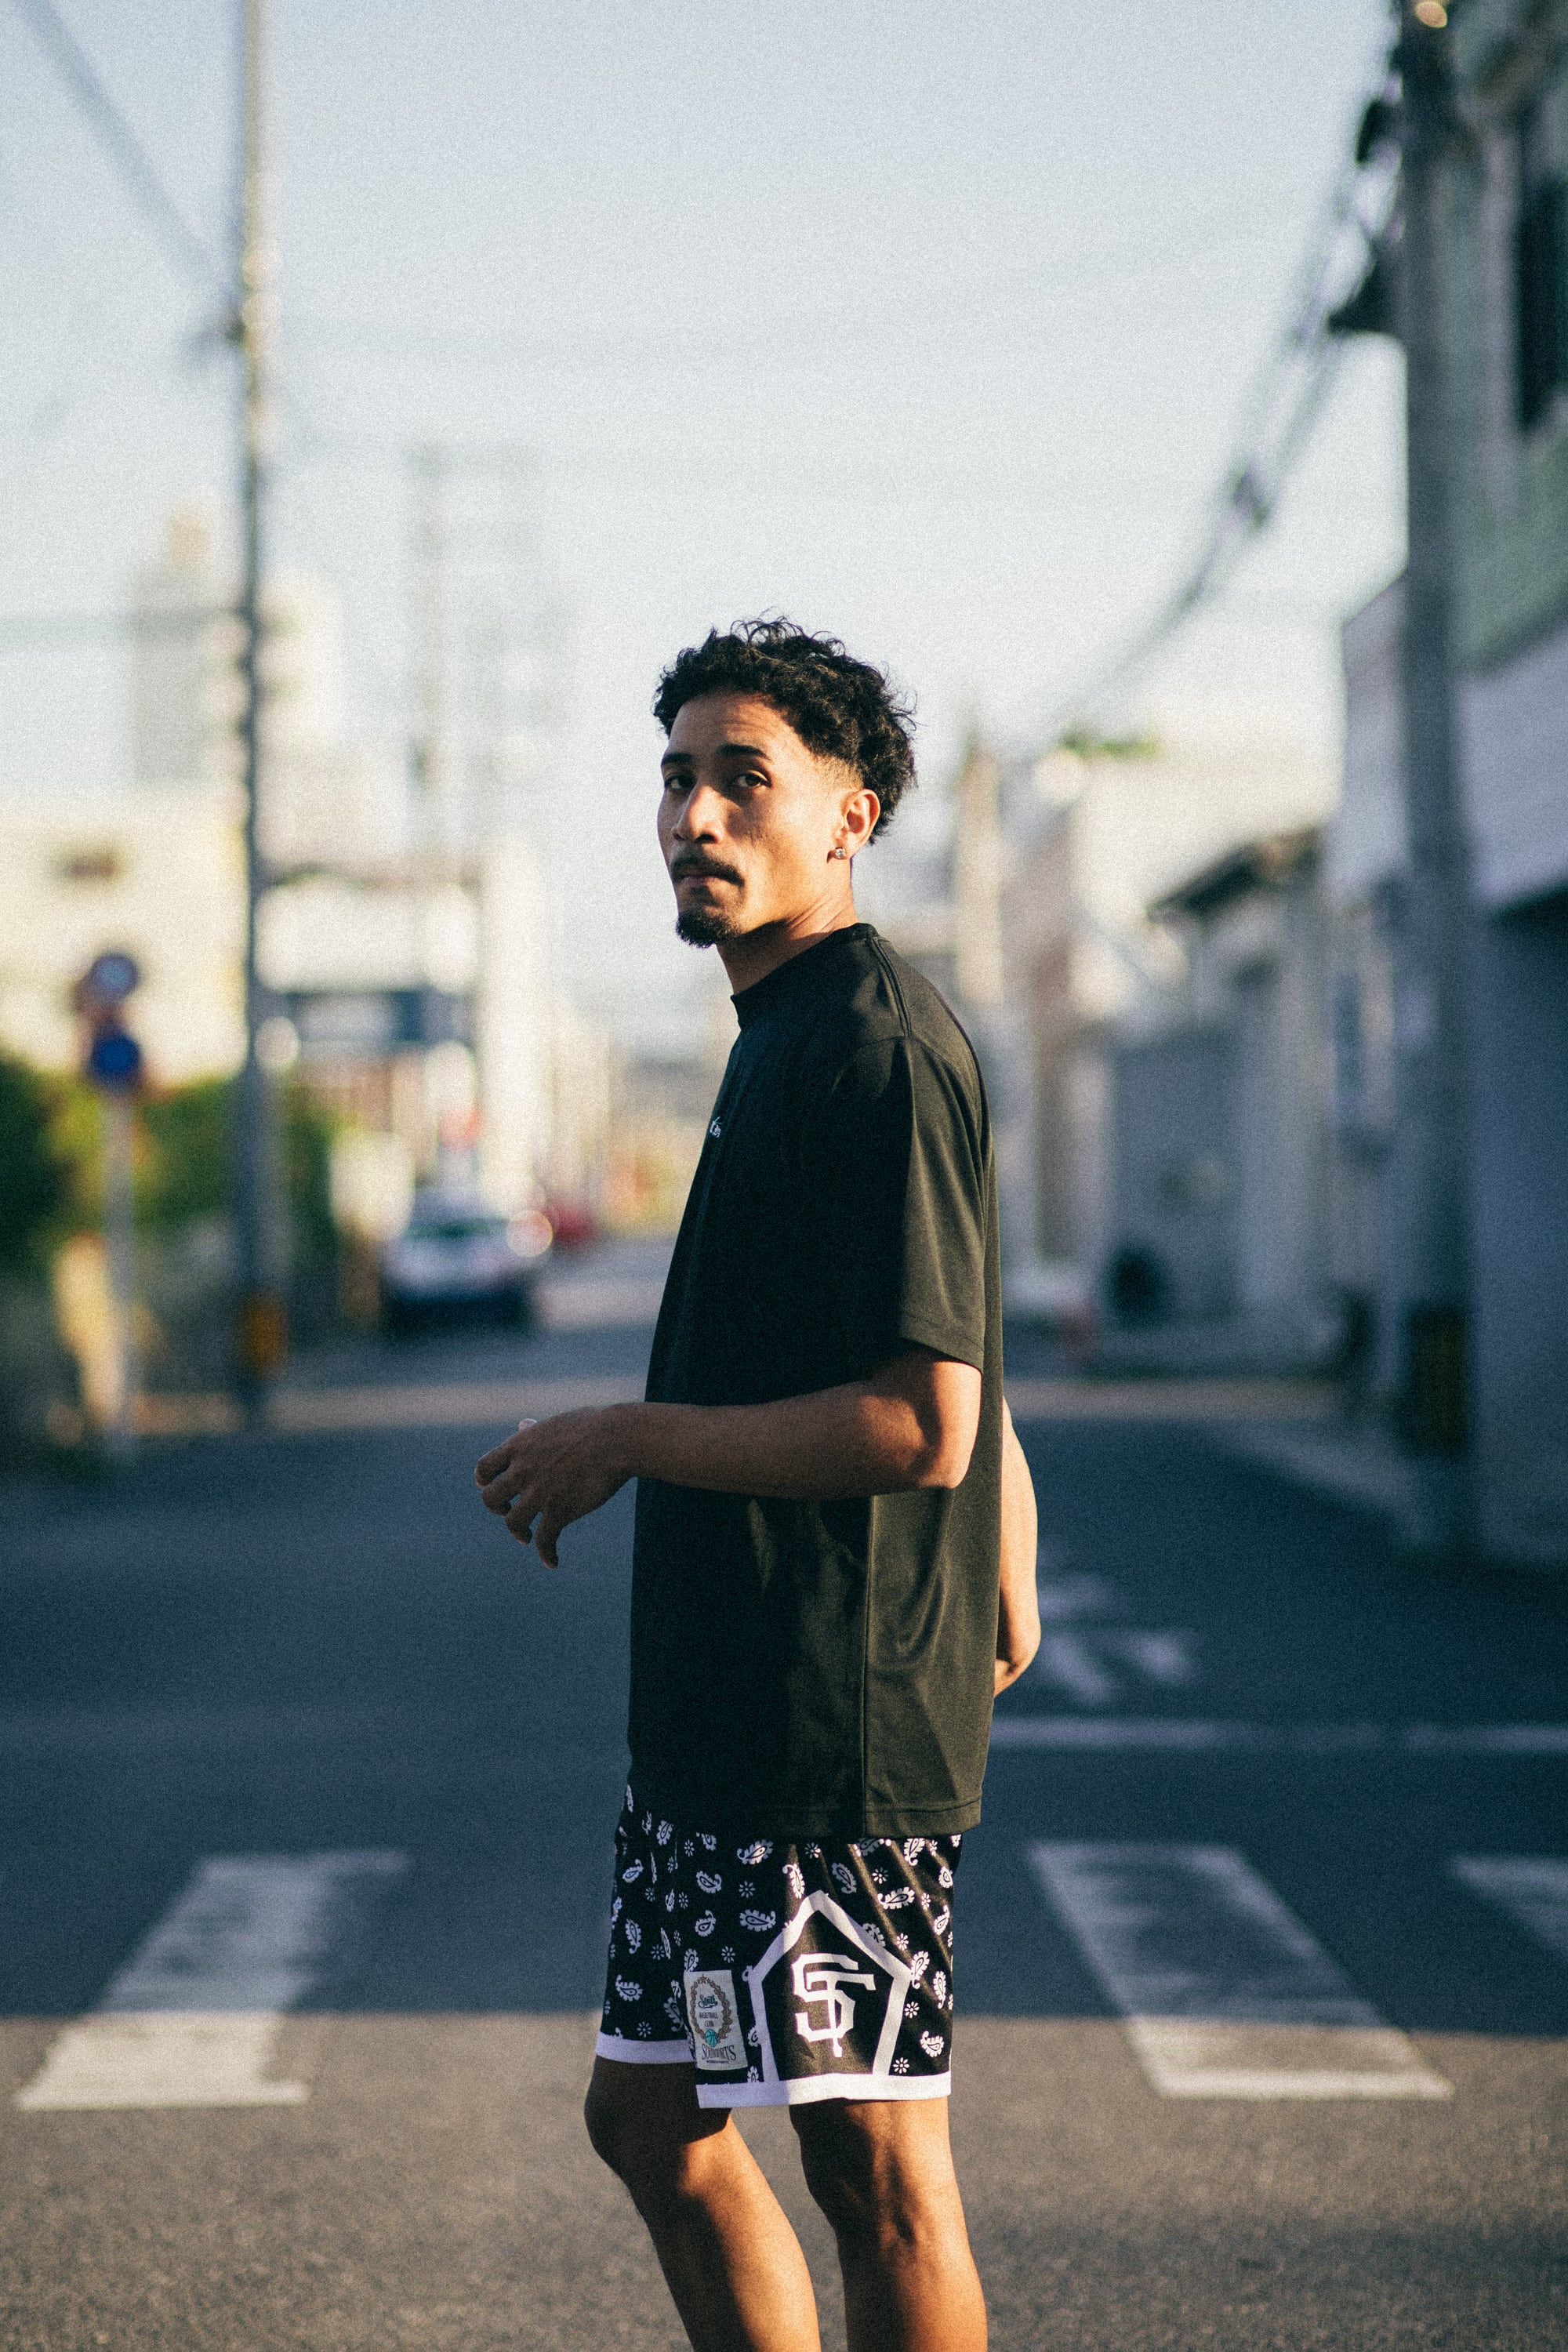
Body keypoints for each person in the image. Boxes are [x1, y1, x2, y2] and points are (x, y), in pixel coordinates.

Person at [476, 618, 1040, 2352]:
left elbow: (922, 1418)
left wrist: (626, 1435)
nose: (696, 817)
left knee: (876, 2170)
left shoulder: (876, 1043)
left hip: (824, 1726)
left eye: (745, 780)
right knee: (651, 2118)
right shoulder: (781, 1033)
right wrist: (1011, 1552)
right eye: (676, 780)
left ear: (852, 815)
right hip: (725, 1723)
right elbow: (952, 1346)